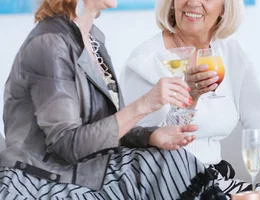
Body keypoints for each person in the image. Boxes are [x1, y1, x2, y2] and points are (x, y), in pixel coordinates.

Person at [0, 0, 216, 199]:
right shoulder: (49, 45)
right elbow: (66, 145)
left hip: (91, 168)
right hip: (47, 178)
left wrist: (150, 136)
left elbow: (101, 128)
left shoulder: (91, 39)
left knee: (173, 160)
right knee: (169, 166)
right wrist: (143, 105)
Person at [120, 0, 260, 194]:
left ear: (225, 7)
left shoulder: (230, 54)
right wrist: (190, 98)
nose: (193, 2)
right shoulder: (145, 61)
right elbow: (139, 140)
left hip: (215, 178)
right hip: (165, 184)